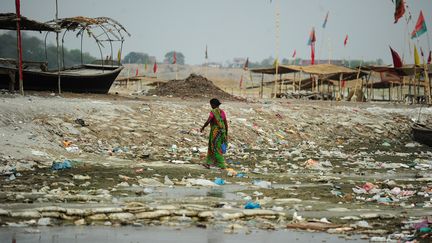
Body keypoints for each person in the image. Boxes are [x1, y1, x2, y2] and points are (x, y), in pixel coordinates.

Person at [200, 98, 228, 169]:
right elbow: (225, 123)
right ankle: (210, 163)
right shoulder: (222, 112)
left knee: (214, 147)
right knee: (217, 147)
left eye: (211, 105)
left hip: (215, 133)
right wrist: (226, 133)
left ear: (213, 104)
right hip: (222, 132)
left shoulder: (213, 112)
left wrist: (203, 127)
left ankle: (221, 164)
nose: (211, 106)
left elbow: (208, 120)